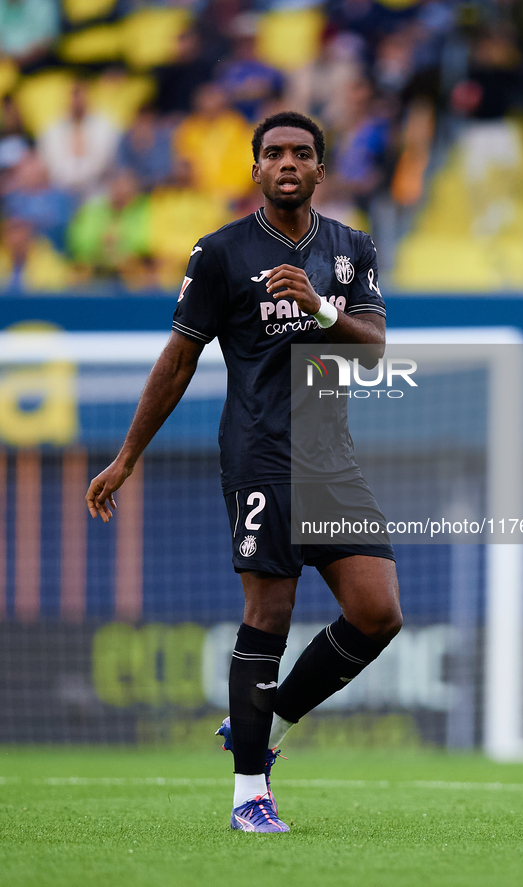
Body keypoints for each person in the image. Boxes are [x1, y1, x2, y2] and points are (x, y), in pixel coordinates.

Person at [85, 111, 402, 833]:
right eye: (272, 153)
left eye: (300, 153)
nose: (286, 162)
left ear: (319, 170)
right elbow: (178, 361)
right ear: (255, 168)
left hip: (332, 461)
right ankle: (249, 794)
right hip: (259, 454)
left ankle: (273, 713)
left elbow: (373, 349)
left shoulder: (351, 248)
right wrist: (128, 454)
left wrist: (318, 306)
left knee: (378, 611)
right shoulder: (221, 252)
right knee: (270, 614)